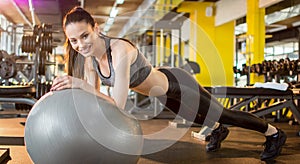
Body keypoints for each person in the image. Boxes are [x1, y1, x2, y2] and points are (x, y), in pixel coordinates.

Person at [51, 6, 286, 161]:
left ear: (96, 30)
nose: (80, 45)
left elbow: (118, 105)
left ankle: (274, 133)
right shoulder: (90, 60)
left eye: (85, 36)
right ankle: (217, 130)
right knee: (194, 119)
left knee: (224, 113)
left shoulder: (119, 50)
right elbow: (95, 98)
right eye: (73, 40)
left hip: (177, 83)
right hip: (161, 94)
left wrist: (80, 85)